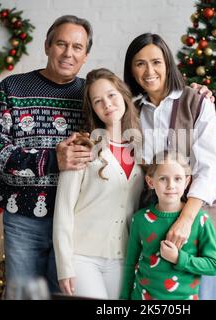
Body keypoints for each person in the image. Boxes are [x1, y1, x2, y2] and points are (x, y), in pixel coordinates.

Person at [0, 15, 94, 296]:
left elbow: (123, 122)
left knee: (67, 295)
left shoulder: (90, 95)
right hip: (23, 220)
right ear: (47, 46)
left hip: (75, 222)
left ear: (85, 56)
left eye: (77, 47)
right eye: (61, 43)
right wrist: (51, 160)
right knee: (24, 294)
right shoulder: (13, 88)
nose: (69, 53)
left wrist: (189, 93)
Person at [123, 33, 216, 300]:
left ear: (168, 63)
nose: (149, 71)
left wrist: (186, 220)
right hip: (152, 222)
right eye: (140, 63)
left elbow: (211, 169)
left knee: (201, 296)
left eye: (156, 62)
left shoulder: (197, 102)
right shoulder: (131, 111)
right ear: (131, 70)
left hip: (199, 220)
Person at [53, 68, 144, 299]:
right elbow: (63, 210)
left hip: (123, 258)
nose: (107, 104)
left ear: (123, 95)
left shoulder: (141, 151)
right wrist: (65, 266)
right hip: (81, 258)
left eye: (111, 95)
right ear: (93, 108)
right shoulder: (83, 148)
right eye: (98, 100)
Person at [120, 151, 216, 300]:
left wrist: (179, 258)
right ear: (150, 182)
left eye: (178, 179)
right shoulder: (140, 219)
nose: (171, 185)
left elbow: (213, 265)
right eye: (163, 179)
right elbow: (130, 264)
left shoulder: (201, 221)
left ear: (187, 182)